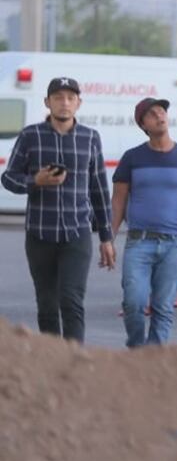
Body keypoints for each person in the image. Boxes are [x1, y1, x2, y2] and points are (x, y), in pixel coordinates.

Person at [1, 77, 115, 343]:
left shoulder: (90, 138)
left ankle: (74, 360)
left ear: (78, 103)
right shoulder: (30, 136)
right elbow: (8, 178)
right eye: (58, 97)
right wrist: (35, 181)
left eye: (70, 98)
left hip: (77, 232)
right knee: (47, 305)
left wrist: (106, 237)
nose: (64, 103)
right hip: (40, 233)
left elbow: (99, 189)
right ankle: (52, 360)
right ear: (47, 102)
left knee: (71, 300)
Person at [111, 97, 177, 348]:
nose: (160, 116)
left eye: (162, 112)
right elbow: (118, 202)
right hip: (139, 242)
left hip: (174, 244)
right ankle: (137, 348)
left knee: (163, 307)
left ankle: (154, 357)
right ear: (143, 124)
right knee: (133, 302)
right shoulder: (132, 158)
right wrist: (108, 240)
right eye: (152, 114)